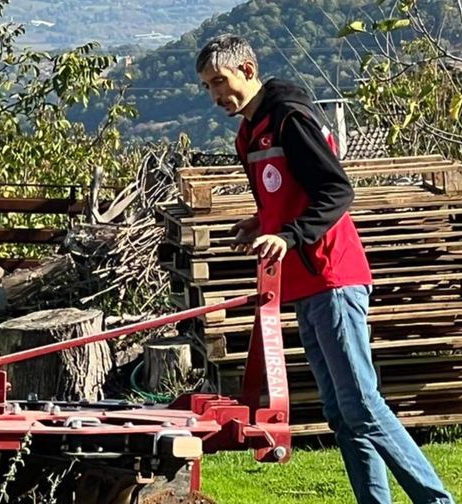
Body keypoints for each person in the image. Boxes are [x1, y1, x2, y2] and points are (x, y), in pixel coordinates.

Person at [194, 34, 454, 504]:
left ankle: (436, 500)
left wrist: (289, 235)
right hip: (300, 284)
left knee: (363, 406)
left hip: (332, 277)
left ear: (248, 71)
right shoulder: (248, 133)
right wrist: (261, 222)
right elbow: (291, 193)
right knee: (340, 411)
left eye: (220, 81)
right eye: (208, 87)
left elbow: (337, 192)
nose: (215, 95)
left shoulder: (291, 119)